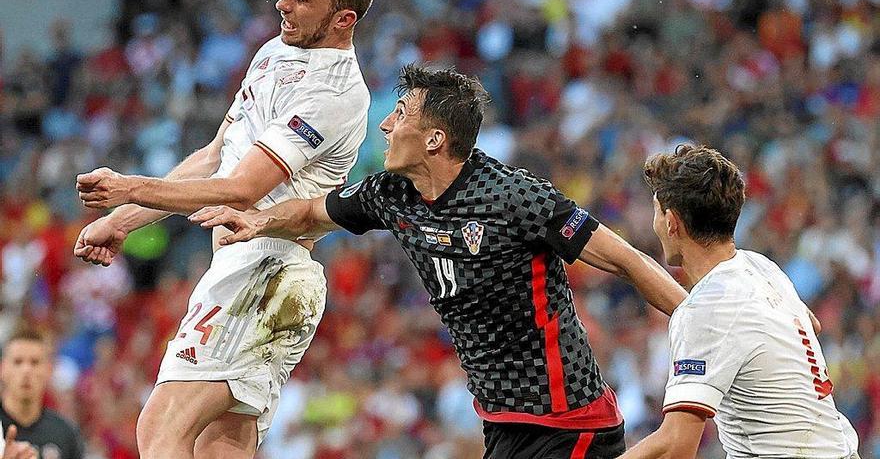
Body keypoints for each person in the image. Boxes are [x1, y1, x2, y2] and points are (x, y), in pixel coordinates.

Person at [189, 65, 688, 459]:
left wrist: (701, 322)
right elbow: (310, 209)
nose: (385, 123)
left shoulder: (514, 197)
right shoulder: (392, 193)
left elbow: (626, 260)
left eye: (400, 113)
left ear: (434, 139)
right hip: (502, 423)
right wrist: (257, 222)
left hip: (570, 422)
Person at [73, 0, 385, 458]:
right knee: (218, 447)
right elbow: (217, 154)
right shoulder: (273, 53)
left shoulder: (336, 93)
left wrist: (128, 185)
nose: (283, 4)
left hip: (266, 273)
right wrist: (122, 219)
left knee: (161, 427)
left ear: (344, 18)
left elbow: (241, 189)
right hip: (251, 274)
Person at [617, 144, 860, 459]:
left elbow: (677, 446)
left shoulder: (703, 310)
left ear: (671, 222)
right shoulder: (762, 268)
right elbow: (810, 324)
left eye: (656, 210)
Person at [0, 329, 83, 459]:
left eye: (35, 362)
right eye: (18, 362)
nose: (26, 370)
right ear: (2, 369)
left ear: (49, 370)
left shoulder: (65, 434)